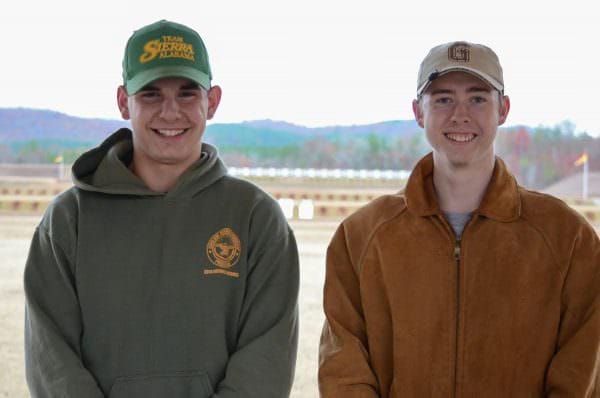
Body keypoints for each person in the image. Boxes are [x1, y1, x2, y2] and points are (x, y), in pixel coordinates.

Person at [24, 20, 299, 397]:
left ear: (212, 101)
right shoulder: (68, 221)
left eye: (187, 94)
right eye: (150, 94)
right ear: (124, 102)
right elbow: (52, 362)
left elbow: (264, 362)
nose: (171, 113)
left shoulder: (256, 219)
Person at [319, 41, 600, 396]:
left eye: (478, 98)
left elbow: (581, 374)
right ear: (418, 112)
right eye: (443, 99)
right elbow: (344, 371)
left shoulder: (569, 239)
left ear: (504, 109)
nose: (460, 114)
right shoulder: (359, 238)